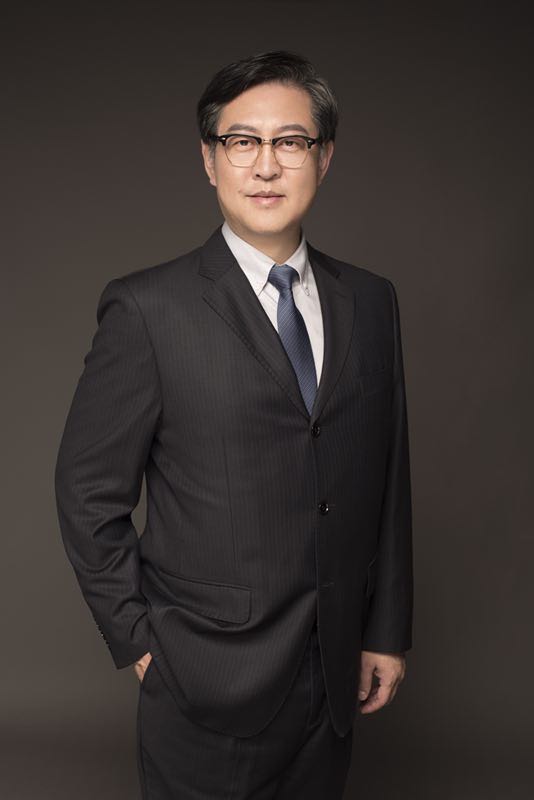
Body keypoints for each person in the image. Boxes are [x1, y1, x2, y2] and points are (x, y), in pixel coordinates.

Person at [54, 49, 413, 800]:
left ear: (325, 157)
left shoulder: (371, 302)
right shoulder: (149, 309)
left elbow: (388, 479)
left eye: (291, 141)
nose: (266, 166)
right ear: (209, 160)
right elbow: (87, 492)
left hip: (335, 671)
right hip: (203, 679)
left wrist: (384, 630)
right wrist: (139, 641)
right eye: (242, 141)